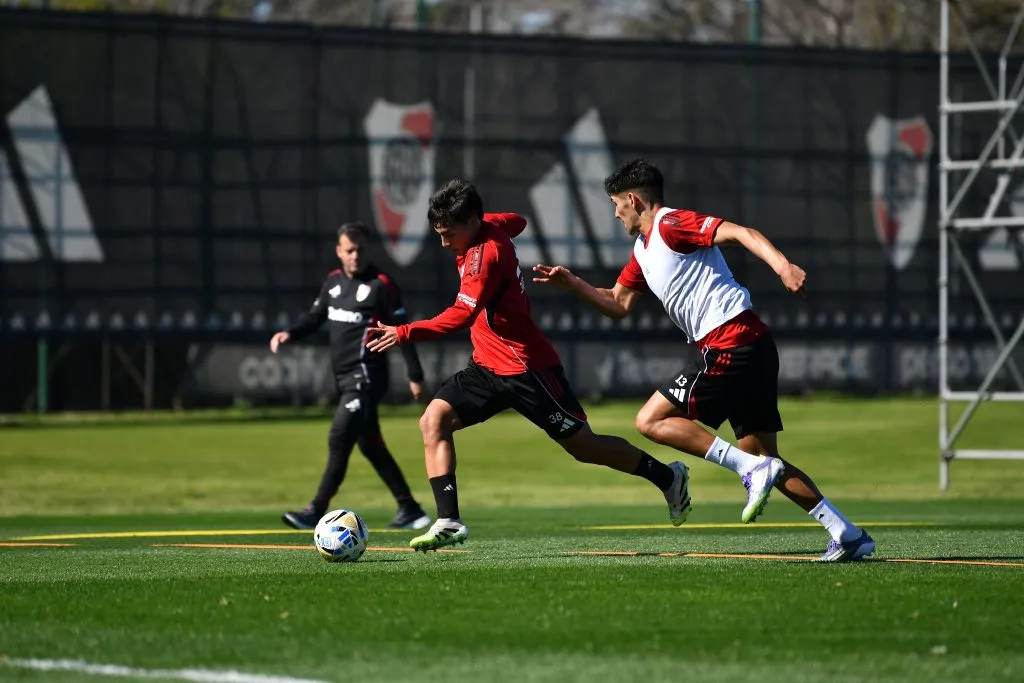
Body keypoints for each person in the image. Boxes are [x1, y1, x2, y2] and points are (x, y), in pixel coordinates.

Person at [531, 158, 874, 563]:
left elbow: (741, 233)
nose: (616, 213)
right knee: (765, 459)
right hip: (752, 345)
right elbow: (618, 303)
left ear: (633, 200)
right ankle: (846, 533)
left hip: (732, 342)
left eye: (616, 204)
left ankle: (750, 470)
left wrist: (783, 266)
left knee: (650, 421)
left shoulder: (672, 224)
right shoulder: (642, 250)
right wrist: (572, 282)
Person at [366, 178, 690, 552]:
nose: (443, 243)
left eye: (448, 234)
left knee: (585, 447)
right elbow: (517, 221)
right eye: (439, 234)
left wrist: (404, 332)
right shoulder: (489, 226)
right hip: (486, 366)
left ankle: (668, 477)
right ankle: (449, 520)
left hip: (527, 370)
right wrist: (485, 222)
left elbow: (460, 316)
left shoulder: (485, 257)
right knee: (433, 420)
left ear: (471, 222)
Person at [271, 221, 431, 531]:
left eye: (360, 250)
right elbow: (315, 317)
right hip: (344, 379)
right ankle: (410, 509)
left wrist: (415, 375)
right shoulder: (333, 282)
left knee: (339, 435)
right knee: (370, 444)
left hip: (367, 378)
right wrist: (289, 333)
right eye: (349, 250)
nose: (355, 256)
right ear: (339, 251)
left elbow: (403, 332)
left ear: (367, 250)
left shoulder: (381, 285)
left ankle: (315, 509)